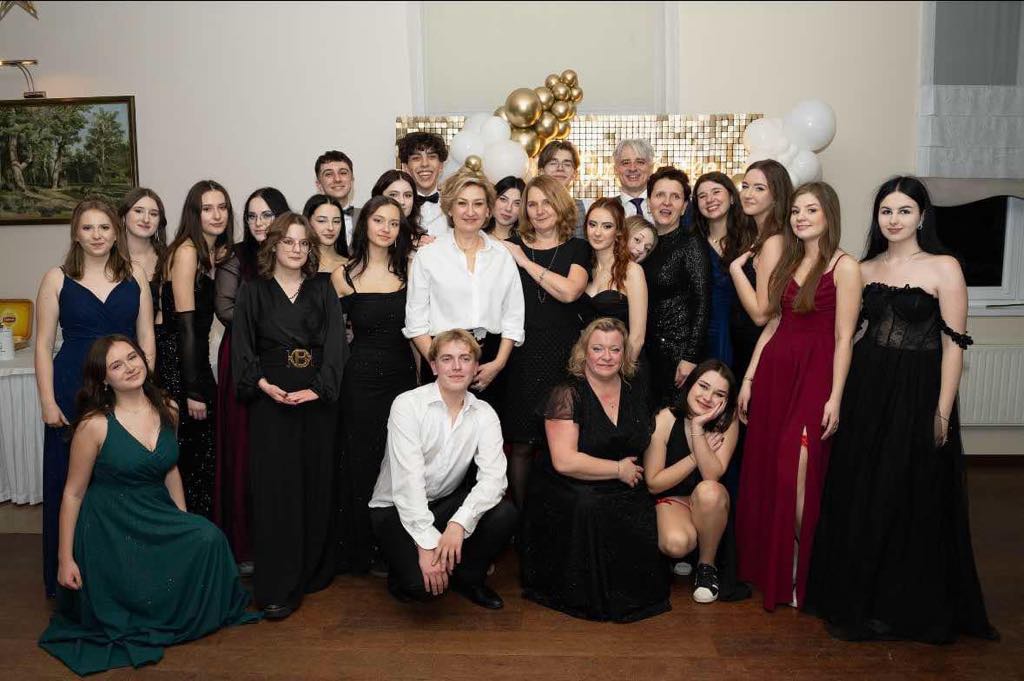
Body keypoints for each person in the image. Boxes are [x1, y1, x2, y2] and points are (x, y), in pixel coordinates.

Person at [806, 177, 998, 643]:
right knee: (865, 491)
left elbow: (954, 347)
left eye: (904, 211)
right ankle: (863, 600)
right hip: (867, 390)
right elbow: (846, 336)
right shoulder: (863, 268)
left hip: (918, 393)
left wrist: (942, 412)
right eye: (886, 211)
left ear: (922, 216)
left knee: (910, 492)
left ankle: (907, 605)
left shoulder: (944, 267)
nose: (894, 220)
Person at [38, 335, 258, 676]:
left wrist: (182, 521)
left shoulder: (168, 408)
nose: (129, 367)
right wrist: (65, 559)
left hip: (154, 509)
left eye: (132, 357)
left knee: (208, 538)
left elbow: (169, 469)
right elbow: (73, 494)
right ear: (104, 379)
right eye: (116, 365)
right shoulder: (94, 425)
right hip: (109, 524)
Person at [735, 182, 861, 611]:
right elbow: (772, 324)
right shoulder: (789, 260)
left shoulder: (845, 266)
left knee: (797, 469)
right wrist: (749, 377)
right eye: (796, 211)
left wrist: (836, 396)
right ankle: (783, 566)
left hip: (815, 376)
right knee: (773, 473)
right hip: (775, 374)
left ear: (829, 214)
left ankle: (811, 570)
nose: (801, 217)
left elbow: (844, 338)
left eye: (811, 210)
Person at [35, 197, 155, 597]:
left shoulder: (135, 274)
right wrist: (47, 401)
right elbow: (42, 345)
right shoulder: (56, 278)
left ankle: (124, 576)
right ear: (75, 233)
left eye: (104, 227)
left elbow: (146, 339)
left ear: (116, 232)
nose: (97, 235)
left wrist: (144, 391)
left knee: (121, 477)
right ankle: (70, 575)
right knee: (70, 480)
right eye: (87, 228)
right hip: (72, 387)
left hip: (124, 387)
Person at [233, 212, 348, 619]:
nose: (296, 249)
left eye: (303, 243)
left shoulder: (322, 288)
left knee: (315, 484)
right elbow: (242, 346)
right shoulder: (253, 291)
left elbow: (336, 345)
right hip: (271, 400)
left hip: (316, 401)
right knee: (276, 491)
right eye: (288, 242)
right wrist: (263, 384)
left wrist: (318, 389)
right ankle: (278, 584)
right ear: (273, 245)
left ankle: (312, 571)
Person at [519, 318, 669, 622]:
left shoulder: (635, 390)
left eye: (615, 349)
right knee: (589, 505)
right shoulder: (567, 394)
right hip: (570, 483)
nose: (606, 356)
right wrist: (618, 469)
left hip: (623, 478)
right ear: (584, 352)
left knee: (637, 503)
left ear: (624, 354)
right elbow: (564, 461)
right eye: (598, 348)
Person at [369, 330, 518, 609]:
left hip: (443, 504)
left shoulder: (484, 413)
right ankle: (403, 571)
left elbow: (494, 480)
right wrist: (426, 543)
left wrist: (458, 524)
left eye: (465, 359)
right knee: (421, 589)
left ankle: (468, 578)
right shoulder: (407, 405)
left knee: (503, 513)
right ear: (434, 366)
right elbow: (408, 483)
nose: (457, 366)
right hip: (396, 509)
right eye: (447, 359)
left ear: (476, 366)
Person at [332, 196, 418, 575]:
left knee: (398, 461)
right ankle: (361, 548)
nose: (386, 228)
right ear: (364, 224)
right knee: (363, 461)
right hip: (360, 381)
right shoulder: (343, 275)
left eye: (394, 223)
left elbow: (419, 332)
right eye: (379, 220)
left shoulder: (410, 270)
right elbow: (332, 339)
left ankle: (395, 546)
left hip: (402, 379)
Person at [500, 175, 590, 509]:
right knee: (522, 445)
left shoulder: (577, 248)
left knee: (562, 444)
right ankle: (521, 521)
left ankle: (555, 522)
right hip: (521, 356)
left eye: (546, 202)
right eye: (532, 204)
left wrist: (524, 262)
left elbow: (570, 292)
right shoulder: (511, 245)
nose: (539, 211)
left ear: (560, 205)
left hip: (563, 357)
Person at [403, 168, 525, 415]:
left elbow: (513, 317)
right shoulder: (428, 255)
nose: (470, 212)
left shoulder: (502, 256)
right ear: (449, 208)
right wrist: (440, 364)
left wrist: (498, 364)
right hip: (440, 356)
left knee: (486, 433)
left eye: (478, 204)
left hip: (489, 364)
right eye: (462, 203)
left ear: (488, 210)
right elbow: (415, 321)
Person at [213, 186, 290, 575]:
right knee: (244, 448)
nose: (259, 223)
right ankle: (244, 545)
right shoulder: (236, 257)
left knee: (277, 449)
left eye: (266, 215)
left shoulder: (292, 253)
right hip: (243, 357)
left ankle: (278, 539)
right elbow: (225, 308)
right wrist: (272, 325)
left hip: (282, 358)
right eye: (252, 216)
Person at [158, 180, 233, 518]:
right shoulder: (187, 252)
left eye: (222, 207)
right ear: (194, 213)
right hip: (180, 363)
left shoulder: (210, 253)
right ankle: (189, 530)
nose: (217, 215)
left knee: (204, 454)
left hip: (195, 359)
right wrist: (193, 391)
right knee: (191, 457)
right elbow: (185, 326)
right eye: (207, 208)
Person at [644, 359, 739, 604]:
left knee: (709, 490)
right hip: (672, 499)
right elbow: (653, 482)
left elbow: (712, 475)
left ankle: (706, 567)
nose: (707, 397)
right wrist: (696, 455)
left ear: (727, 401)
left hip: (708, 503)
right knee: (676, 544)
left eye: (719, 394)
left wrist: (697, 428)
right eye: (703, 386)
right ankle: (686, 552)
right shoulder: (666, 418)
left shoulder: (728, 421)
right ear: (690, 384)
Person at [641, 166, 710, 409]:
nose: (666, 202)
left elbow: (703, 304)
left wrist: (690, 357)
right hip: (645, 352)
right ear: (649, 202)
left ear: (684, 206)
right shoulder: (644, 244)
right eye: (660, 195)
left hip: (677, 354)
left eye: (675, 197)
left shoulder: (691, 244)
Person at [581, 198, 650, 408]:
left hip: (623, 372)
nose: (597, 232)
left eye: (607, 226)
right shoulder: (584, 268)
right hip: (588, 369)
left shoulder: (632, 271)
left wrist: (616, 377)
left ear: (619, 232)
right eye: (592, 224)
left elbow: (637, 337)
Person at [728, 159, 793, 382]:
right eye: (745, 186)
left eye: (759, 188)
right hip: (744, 345)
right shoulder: (756, 236)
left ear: (777, 196)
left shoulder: (773, 242)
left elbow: (761, 314)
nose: (748, 194)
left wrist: (735, 269)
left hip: (761, 347)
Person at [693, 172, 756, 368]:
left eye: (716, 192)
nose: (709, 199)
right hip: (705, 334)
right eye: (702, 196)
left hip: (744, 331)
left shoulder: (751, 239)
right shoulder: (693, 243)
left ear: (731, 197)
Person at [118, 187, 167, 324]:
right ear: (123, 216)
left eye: (153, 214)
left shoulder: (169, 258)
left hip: (160, 335)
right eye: (138, 211)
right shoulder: (107, 257)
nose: (146, 219)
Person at [398, 132, 449, 237]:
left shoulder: (454, 204)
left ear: (441, 166)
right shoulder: (395, 206)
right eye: (416, 158)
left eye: (432, 157)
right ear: (405, 167)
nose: (425, 164)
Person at [538, 140, 587, 237]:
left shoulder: (587, 209)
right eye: (553, 163)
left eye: (567, 164)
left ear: (575, 174)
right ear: (541, 171)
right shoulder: (526, 208)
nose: (560, 168)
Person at [371, 168, 430, 245]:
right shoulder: (368, 235)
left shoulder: (421, 240)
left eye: (408, 195)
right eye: (393, 195)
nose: (402, 202)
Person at [314, 150, 359, 246]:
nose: (337, 179)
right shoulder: (307, 221)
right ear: (319, 185)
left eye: (343, 173)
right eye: (329, 174)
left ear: (352, 180)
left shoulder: (368, 217)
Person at [303, 193, 349, 271]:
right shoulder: (297, 262)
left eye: (336, 221)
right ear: (308, 222)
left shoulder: (351, 265)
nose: (331, 228)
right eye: (322, 221)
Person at [614, 139, 655, 221]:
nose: (632, 168)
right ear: (615, 170)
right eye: (626, 162)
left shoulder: (664, 206)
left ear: (651, 168)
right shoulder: (606, 209)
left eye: (640, 162)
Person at [485, 175, 525, 241]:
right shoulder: (476, 234)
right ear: (493, 199)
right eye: (503, 199)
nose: (508, 208)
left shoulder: (527, 243)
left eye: (517, 203)